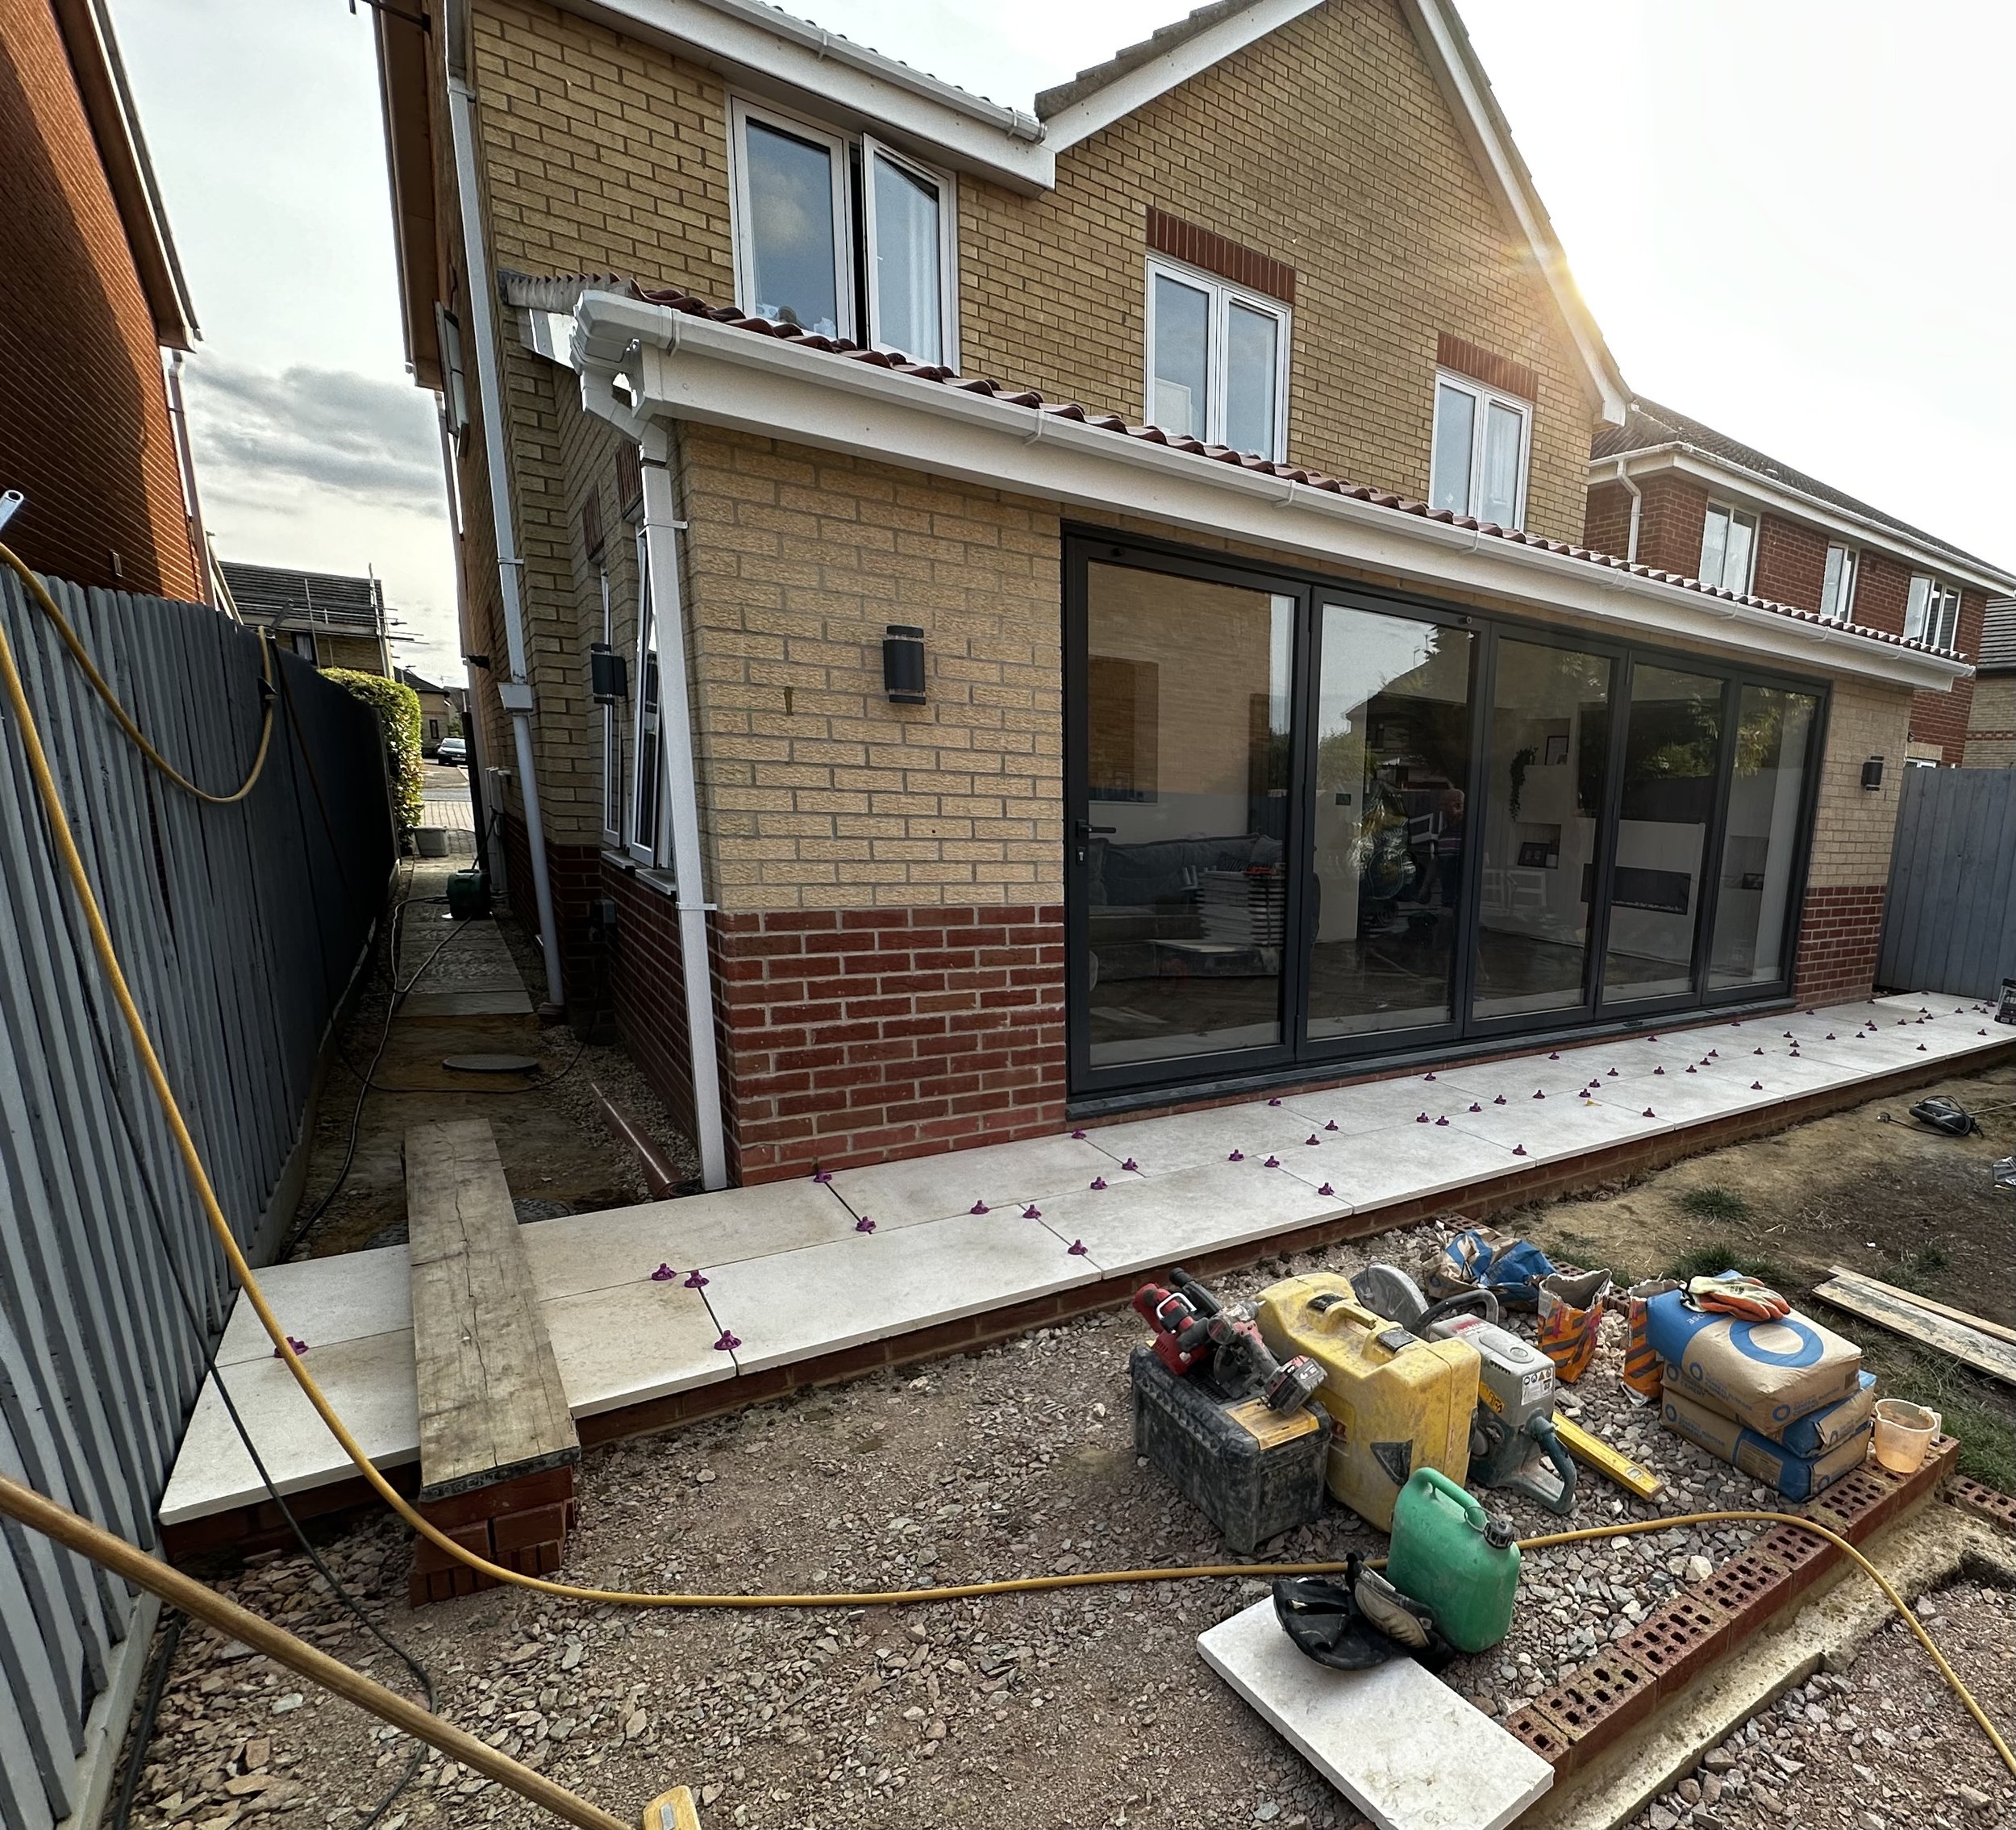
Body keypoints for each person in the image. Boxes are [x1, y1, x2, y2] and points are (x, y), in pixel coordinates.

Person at [1435, 787, 1465, 910]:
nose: (1442, 809)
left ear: (1458, 806)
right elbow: (1437, 861)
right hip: (1447, 899)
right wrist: (1426, 887)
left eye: (1445, 805)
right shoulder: (1444, 834)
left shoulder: (1468, 833)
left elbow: (1483, 862)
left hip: (1463, 902)